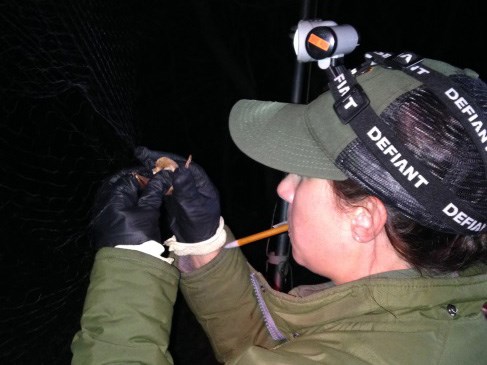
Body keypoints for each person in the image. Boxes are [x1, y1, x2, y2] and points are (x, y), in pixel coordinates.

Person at [71, 51, 487, 364]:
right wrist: (205, 241)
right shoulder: (425, 309)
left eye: (303, 175)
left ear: (364, 219)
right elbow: (266, 348)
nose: (285, 188)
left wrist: (130, 262)